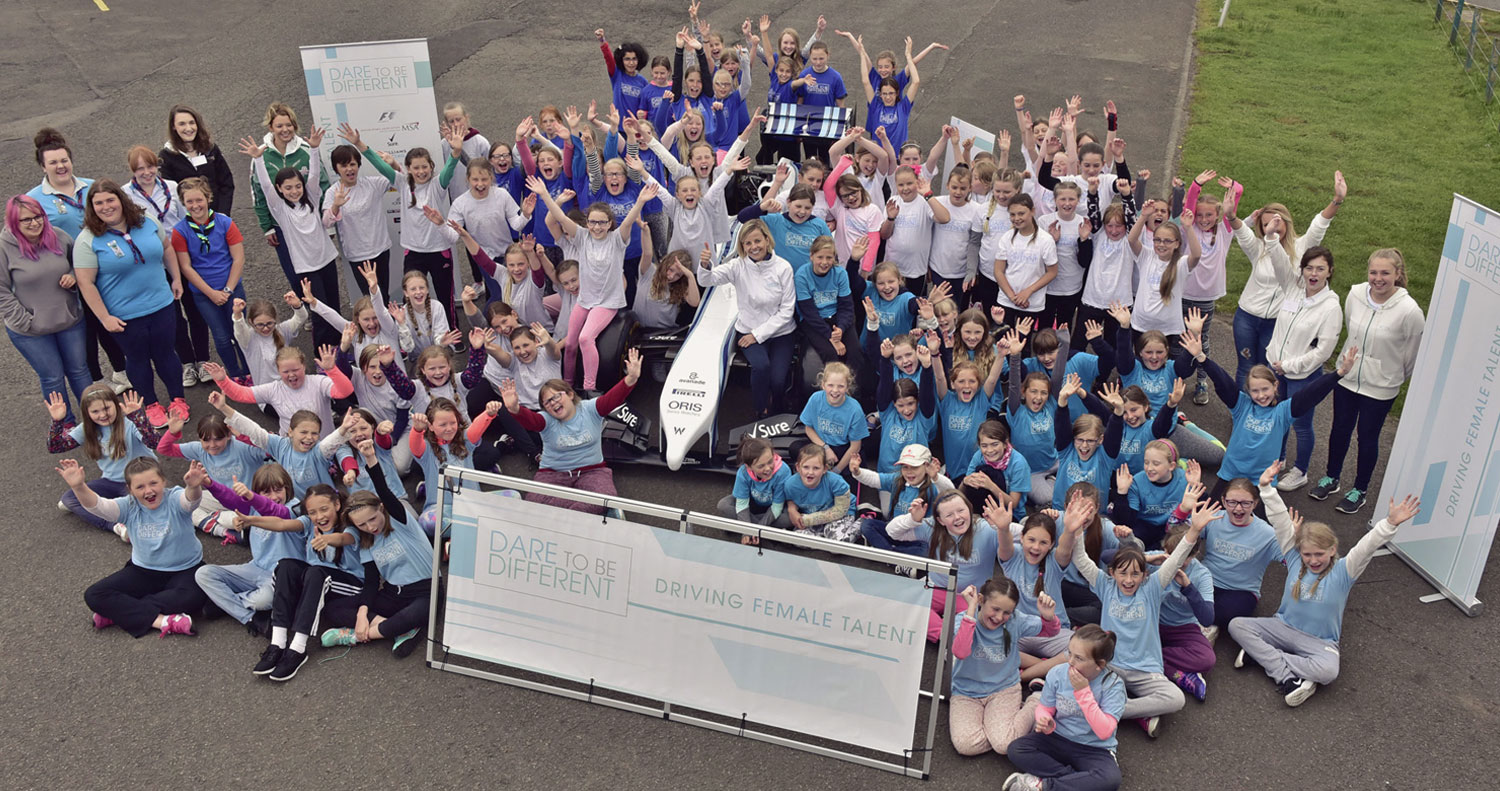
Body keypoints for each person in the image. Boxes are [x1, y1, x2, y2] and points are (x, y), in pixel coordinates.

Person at [1230, 466, 1421, 707]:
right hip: (1282, 627)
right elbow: (1280, 521)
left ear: (1332, 550)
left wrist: (1389, 524)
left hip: (1319, 642)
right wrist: (1266, 489)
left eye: (1319, 554)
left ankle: (1262, 658)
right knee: (1237, 625)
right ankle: (1288, 676)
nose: (1313, 560)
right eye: (1308, 554)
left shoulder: (1345, 570)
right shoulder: (1294, 559)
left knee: (1328, 672)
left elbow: (1367, 546)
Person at [1066, 492, 1206, 737]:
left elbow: (1176, 560)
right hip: (1110, 666)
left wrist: (1193, 530)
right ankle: (1138, 713)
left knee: (1175, 699)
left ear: (1145, 575)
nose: (1128, 580)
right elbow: (1080, 559)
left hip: (1146, 671)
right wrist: (1076, 530)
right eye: (1122, 573)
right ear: (1112, 573)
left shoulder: (1152, 588)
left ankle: (1119, 710)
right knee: (1072, 676)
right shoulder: (1105, 585)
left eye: (1135, 574)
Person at [1310, 249, 1424, 514]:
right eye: (1374, 272)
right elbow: (1351, 329)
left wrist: (1388, 374)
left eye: (1385, 273)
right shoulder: (1356, 294)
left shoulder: (1410, 311)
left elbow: (1411, 355)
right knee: (1339, 429)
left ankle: (1359, 490)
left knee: (1367, 438)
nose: (1378, 278)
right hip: (1347, 377)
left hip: (1381, 387)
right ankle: (1332, 478)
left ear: (1398, 274)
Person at [72, 179, 190, 427]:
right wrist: (105, 318)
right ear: (92, 208)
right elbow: (85, 283)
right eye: (99, 203)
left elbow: (167, 248)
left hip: (161, 305)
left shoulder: (146, 222)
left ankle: (178, 400)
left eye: (110, 200)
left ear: (120, 199)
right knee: (137, 359)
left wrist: (176, 278)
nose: (106, 207)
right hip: (125, 315)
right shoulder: (87, 239)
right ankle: (151, 404)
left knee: (166, 353)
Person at [530, 174, 654, 391]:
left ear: (609, 224)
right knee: (569, 344)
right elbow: (559, 216)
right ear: (587, 223)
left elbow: (627, 221)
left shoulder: (617, 240)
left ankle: (589, 388)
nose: (597, 227)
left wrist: (641, 201)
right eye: (593, 222)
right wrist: (545, 195)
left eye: (602, 222)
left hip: (607, 303)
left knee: (585, 339)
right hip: (585, 300)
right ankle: (568, 385)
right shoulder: (582, 237)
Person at [60, 457, 207, 638]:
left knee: (196, 597)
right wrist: (79, 486)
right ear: (130, 490)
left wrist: (193, 487)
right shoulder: (128, 505)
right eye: (140, 487)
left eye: (153, 483)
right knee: (95, 594)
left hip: (186, 569)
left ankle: (120, 613)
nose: (149, 491)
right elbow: (98, 507)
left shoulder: (175, 497)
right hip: (144, 571)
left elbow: (190, 502)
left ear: (163, 481)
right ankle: (163, 621)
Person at [318, 440, 435, 658]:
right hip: (393, 594)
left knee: (409, 618)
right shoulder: (366, 541)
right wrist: (362, 614)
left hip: (426, 592)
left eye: (373, 518)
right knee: (333, 609)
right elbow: (372, 583)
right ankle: (395, 630)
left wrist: (371, 458)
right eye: (362, 525)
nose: (371, 527)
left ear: (382, 508)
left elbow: (383, 488)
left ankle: (360, 635)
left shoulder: (401, 521)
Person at [1229, 171, 1346, 389]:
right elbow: (1242, 233)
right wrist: (1231, 216)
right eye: (1265, 224)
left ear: (1286, 221)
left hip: (1275, 322)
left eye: (1276, 221)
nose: (1272, 227)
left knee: (1268, 369)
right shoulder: (1259, 248)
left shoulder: (1303, 246)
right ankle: (1241, 413)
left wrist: (1337, 200)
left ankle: (1266, 413)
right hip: (1247, 317)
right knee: (1245, 366)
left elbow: (1319, 224)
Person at [498, 349, 641, 514]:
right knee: (534, 503)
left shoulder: (591, 409)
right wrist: (515, 409)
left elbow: (612, 398)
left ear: (570, 394)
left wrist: (630, 379)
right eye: (547, 402)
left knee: (605, 496)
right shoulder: (545, 419)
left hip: (593, 471)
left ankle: (564, 517)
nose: (553, 403)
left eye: (556, 397)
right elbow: (529, 420)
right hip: (553, 474)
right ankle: (584, 513)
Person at [241, 127, 342, 349]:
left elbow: (314, 176)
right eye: (288, 188)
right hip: (306, 267)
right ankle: (322, 355)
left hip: (326, 260)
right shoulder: (280, 210)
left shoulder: (313, 199)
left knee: (333, 306)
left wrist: (314, 149)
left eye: (297, 186)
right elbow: (266, 187)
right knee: (319, 310)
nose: (294, 191)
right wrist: (258, 160)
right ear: (280, 189)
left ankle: (340, 350)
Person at [251, 483, 364, 682]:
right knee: (286, 565)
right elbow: (282, 525)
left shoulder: (350, 527)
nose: (319, 516)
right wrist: (250, 521)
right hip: (318, 580)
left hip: (350, 585)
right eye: (312, 512)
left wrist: (328, 540)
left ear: (337, 505)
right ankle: (278, 643)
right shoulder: (310, 524)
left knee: (315, 573)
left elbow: (344, 538)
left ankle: (298, 648)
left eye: (324, 509)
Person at [1001, 625, 1126, 791]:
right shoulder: (1057, 673)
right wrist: (1044, 719)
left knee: (1111, 779)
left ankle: (1042, 786)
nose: (1070, 661)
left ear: (1100, 664)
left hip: (1094, 748)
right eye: (1070, 653)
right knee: (1016, 749)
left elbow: (1104, 731)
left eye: (1079, 658)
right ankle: (1077, 780)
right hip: (1057, 737)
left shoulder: (1112, 685)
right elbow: (1045, 707)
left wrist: (1083, 692)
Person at [2, 195, 92, 420]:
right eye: (26, 220)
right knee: (52, 377)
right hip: (30, 331)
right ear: (14, 222)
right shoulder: (4, 247)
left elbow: (80, 265)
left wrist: (72, 276)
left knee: (79, 371)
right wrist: (26, 320)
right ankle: (65, 425)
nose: (34, 223)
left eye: (38, 216)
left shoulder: (60, 237)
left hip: (69, 321)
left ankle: (96, 420)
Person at [949, 577, 1060, 757]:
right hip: (966, 692)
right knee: (966, 746)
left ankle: (1035, 702)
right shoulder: (964, 619)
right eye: (995, 609)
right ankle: (999, 727)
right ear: (981, 600)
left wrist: (1048, 617)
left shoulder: (1015, 621)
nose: (1000, 617)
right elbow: (960, 652)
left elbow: (1049, 631)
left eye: (1007, 612)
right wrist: (970, 610)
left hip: (1003, 689)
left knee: (1003, 744)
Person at [696, 219, 796, 418]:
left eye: (757, 241)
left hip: (781, 333)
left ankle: (779, 407)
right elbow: (707, 280)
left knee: (777, 381)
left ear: (767, 240)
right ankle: (760, 410)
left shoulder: (783, 268)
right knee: (761, 366)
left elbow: (787, 311)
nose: (753, 247)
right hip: (748, 329)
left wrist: (757, 335)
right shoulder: (737, 266)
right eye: (747, 243)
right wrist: (705, 264)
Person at [1264, 246, 1343, 492]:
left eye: (1320, 269)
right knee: (1277, 419)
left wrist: (1288, 366)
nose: (1314, 274)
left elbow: (1322, 353)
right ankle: (1279, 459)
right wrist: (1272, 237)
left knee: (1301, 425)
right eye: (1309, 267)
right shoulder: (1294, 290)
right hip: (1275, 369)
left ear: (1329, 272)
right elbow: (1278, 262)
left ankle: (1300, 471)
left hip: (1302, 376)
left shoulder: (1331, 308)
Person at [878, 490, 1004, 642]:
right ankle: (945, 639)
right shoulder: (932, 527)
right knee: (903, 603)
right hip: (937, 587)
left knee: (971, 627)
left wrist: (1003, 527)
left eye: (961, 510)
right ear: (940, 520)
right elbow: (892, 532)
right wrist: (912, 519)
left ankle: (948, 635)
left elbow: (1021, 537)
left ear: (969, 510)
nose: (957, 517)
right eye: (949, 515)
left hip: (969, 597)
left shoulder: (986, 529)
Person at [194, 464, 304, 634]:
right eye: (266, 492)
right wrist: (209, 483)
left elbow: (274, 511)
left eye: (278, 490)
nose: (274, 497)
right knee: (204, 574)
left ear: (287, 488)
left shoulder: (294, 509)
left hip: (280, 578)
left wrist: (251, 497)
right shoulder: (254, 507)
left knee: (263, 601)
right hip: (255, 568)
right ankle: (250, 618)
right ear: (259, 493)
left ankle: (225, 603)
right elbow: (230, 499)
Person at [46, 384, 157, 540]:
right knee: (69, 499)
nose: (102, 415)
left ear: (116, 405)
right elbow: (55, 447)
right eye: (95, 411)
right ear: (87, 413)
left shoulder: (130, 423)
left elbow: (155, 443)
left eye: (106, 408)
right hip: (111, 482)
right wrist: (57, 421)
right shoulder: (87, 428)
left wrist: (139, 418)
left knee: (149, 508)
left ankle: (117, 509)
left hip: (140, 482)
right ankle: (116, 526)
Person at [248, 102, 330, 296]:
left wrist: (327, 221)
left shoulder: (305, 150)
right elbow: (258, 193)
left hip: (309, 222)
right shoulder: (261, 155)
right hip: (281, 225)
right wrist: (267, 227)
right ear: (270, 127)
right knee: (294, 274)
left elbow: (323, 185)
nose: (285, 130)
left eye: (289, 125)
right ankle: (307, 310)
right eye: (279, 126)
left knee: (319, 271)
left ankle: (326, 312)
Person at [172, 177, 249, 381]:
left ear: (208, 198)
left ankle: (251, 371)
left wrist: (228, 290)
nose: (195, 205)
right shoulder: (180, 231)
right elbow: (186, 266)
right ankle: (235, 375)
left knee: (240, 333)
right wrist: (212, 293)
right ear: (183, 203)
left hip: (232, 289)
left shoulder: (225, 222)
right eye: (189, 202)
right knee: (222, 338)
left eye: (199, 200)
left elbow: (238, 258)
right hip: (205, 295)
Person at [322, 124, 398, 297]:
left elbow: (397, 178)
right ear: (336, 168)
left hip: (380, 249)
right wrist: (336, 206)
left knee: (384, 294)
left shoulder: (372, 184)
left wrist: (392, 162)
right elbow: (326, 222)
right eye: (343, 166)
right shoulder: (333, 192)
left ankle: (388, 324)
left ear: (358, 165)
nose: (349, 169)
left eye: (352, 164)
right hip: (357, 255)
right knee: (370, 297)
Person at [159, 105, 236, 214]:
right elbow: (170, 194)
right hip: (188, 220)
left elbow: (226, 183)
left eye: (192, 123)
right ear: (173, 127)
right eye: (182, 124)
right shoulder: (166, 156)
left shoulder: (211, 149)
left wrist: (223, 214)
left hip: (217, 216)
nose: (189, 128)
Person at [719, 436, 794, 531]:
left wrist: (756, 529)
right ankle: (759, 527)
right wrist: (748, 531)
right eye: (761, 466)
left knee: (789, 519)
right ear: (749, 467)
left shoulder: (783, 471)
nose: (768, 468)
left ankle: (739, 523)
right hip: (754, 502)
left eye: (770, 461)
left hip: (774, 507)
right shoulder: (743, 472)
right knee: (723, 504)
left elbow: (777, 506)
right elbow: (742, 504)